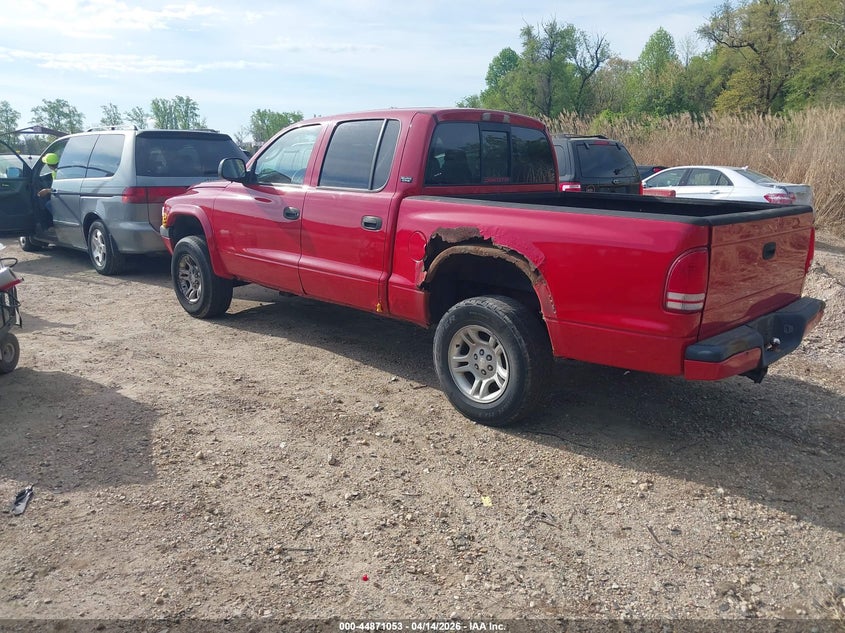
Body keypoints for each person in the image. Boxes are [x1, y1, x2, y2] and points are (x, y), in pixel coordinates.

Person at [36, 152, 59, 228]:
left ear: (49, 165)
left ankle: (56, 223)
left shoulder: (58, 173)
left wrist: (46, 190)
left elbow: (59, 189)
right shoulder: (56, 171)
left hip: (62, 198)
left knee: (48, 204)